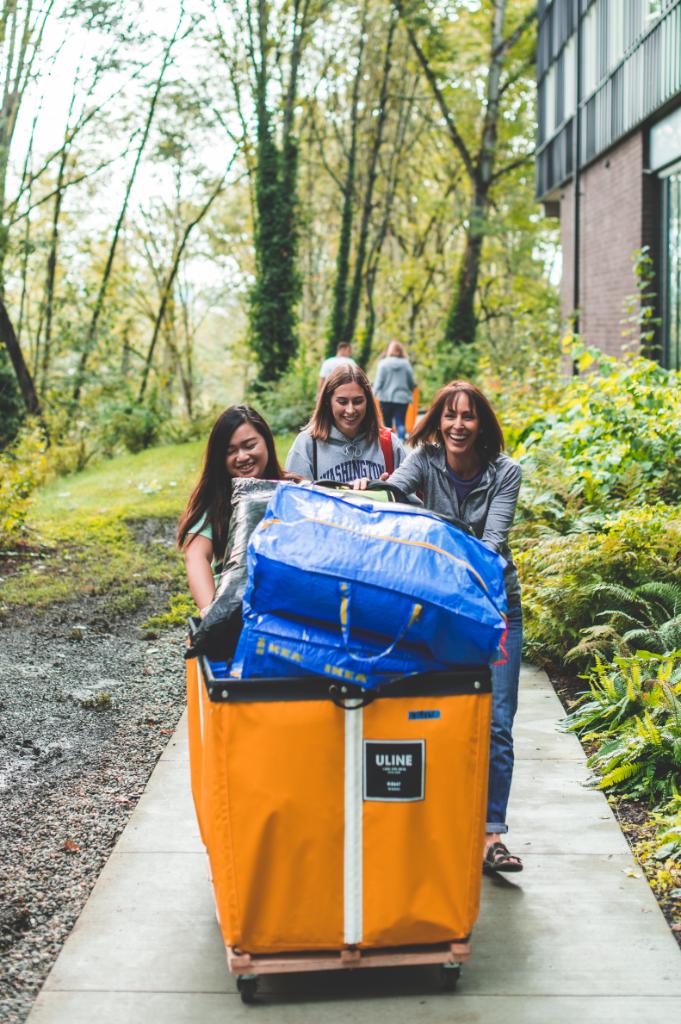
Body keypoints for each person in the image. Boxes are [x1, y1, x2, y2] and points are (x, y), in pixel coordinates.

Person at [353, 381, 523, 873]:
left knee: (497, 722)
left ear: (481, 423)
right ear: (438, 421)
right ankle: (440, 823)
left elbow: (490, 545)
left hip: (495, 607)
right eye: (450, 415)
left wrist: (435, 537)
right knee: (436, 715)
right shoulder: (425, 459)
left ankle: (491, 835)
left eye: (468, 416)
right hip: (439, 606)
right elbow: (393, 488)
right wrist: (372, 489)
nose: (458, 425)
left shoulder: (505, 472)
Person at [177, 405, 287, 617]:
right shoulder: (215, 502)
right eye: (230, 451)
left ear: (266, 442)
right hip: (232, 610)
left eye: (249, 445)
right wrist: (211, 613)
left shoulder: (293, 490)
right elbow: (196, 556)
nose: (242, 456)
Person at [286, 364, 405, 483]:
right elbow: (294, 494)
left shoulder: (389, 444)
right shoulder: (306, 445)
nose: (350, 410)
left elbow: (409, 493)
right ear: (328, 401)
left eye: (358, 401)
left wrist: (386, 489)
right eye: (342, 402)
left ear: (368, 402)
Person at [373, 340, 416, 440]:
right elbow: (411, 382)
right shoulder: (406, 364)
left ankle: (389, 442)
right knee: (400, 422)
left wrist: (373, 394)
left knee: (387, 423)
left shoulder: (383, 363)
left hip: (385, 398)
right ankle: (401, 441)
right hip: (402, 398)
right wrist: (411, 389)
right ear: (401, 350)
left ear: (389, 350)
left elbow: (379, 382)